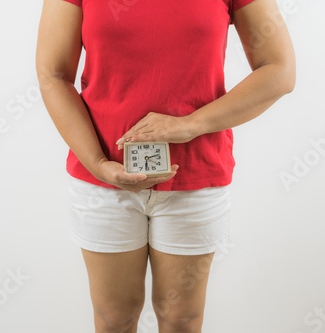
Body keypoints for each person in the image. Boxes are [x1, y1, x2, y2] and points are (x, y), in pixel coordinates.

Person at [36, 0, 295, 331]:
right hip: (103, 179)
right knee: (113, 318)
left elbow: (279, 69)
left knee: (181, 320)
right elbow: (53, 74)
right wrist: (99, 163)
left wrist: (189, 125)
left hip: (196, 177)